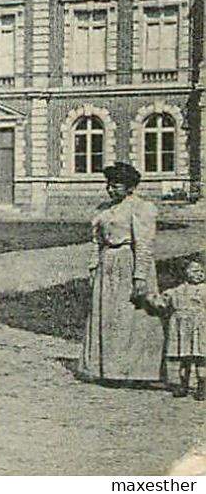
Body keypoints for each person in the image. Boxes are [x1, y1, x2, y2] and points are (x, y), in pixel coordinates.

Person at [77, 162, 164, 385]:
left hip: (129, 261)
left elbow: (143, 244)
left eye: (116, 185)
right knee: (107, 315)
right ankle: (105, 369)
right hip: (108, 263)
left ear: (130, 187)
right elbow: (96, 242)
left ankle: (136, 371)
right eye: (109, 185)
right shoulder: (104, 210)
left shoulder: (140, 208)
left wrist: (140, 276)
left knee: (130, 317)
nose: (111, 189)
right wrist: (93, 266)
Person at [157, 260, 205, 400]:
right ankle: (183, 385)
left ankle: (202, 386)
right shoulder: (176, 291)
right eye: (195, 271)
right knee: (184, 357)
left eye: (201, 271)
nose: (199, 274)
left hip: (201, 327)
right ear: (185, 273)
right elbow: (160, 303)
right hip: (181, 328)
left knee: (201, 358)